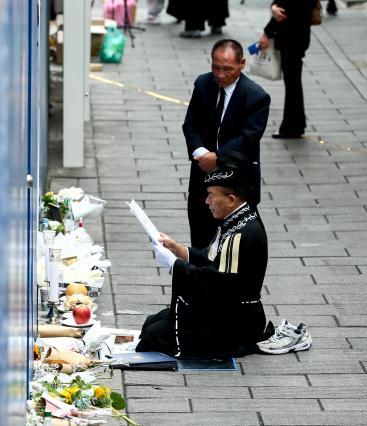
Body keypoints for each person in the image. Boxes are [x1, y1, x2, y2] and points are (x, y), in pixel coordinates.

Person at [136, 152, 273, 358]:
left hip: (236, 320)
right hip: (228, 308)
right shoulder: (235, 219)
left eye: (211, 195)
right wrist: (178, 249)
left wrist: (176, 265)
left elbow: (219, 283)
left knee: (154, 334)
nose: (207, 201)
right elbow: (212, 259)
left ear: (231, 198)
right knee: (153, 322)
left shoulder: (241, 232)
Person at [183, 39, 270, 249]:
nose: (220, 75)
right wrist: (202, 153)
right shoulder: (203, 84)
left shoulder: (256, 96)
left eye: (227, 69)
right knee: (200, 240)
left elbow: (248, 138)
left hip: (236, 182)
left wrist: (218, 158)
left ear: (241, 64)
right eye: (216, 67)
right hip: (202, 177)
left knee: (233, 245)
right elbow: (190, 124)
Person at [259, 0, 317, 139]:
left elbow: (285, 8)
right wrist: (273, 7)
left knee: (292, 84)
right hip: (298, 34)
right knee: (293, 82)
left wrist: (267, 32)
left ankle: (292, 127)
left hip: (292, 35)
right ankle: (296, 124)